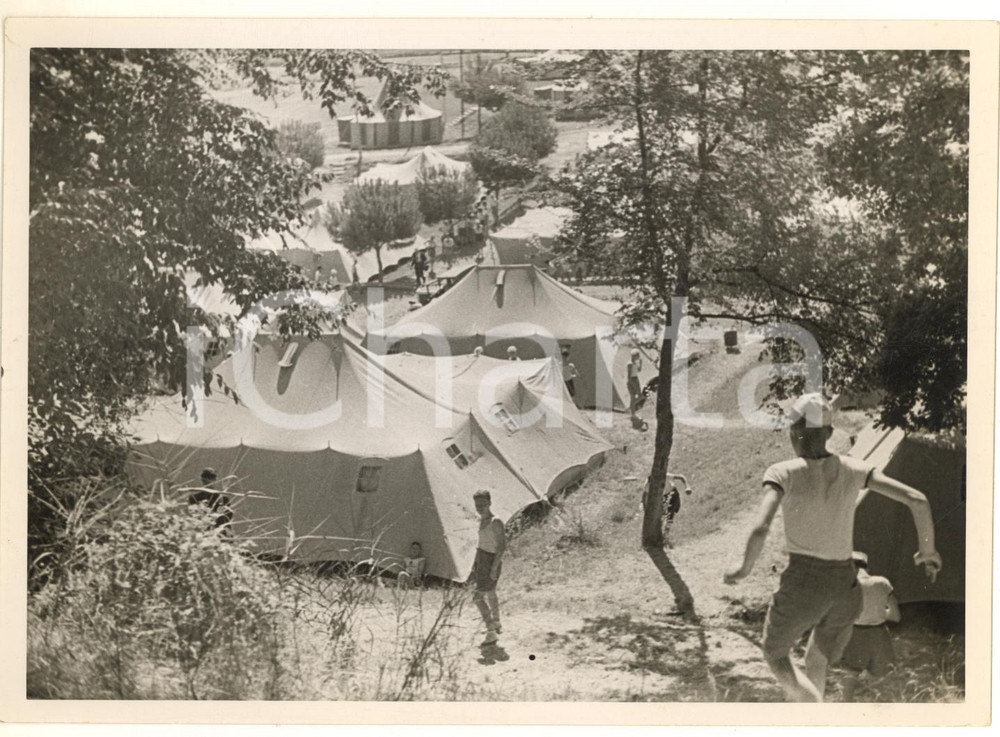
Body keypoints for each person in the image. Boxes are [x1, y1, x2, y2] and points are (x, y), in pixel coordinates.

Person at [723, 393, 941, 702]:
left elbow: (760, 528)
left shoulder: (782, 472)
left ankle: (815, 715)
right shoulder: (854, 468)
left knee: (775, 654)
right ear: (828, 433)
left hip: (804, 582)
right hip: (846, 587)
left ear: (793, 432)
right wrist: (928, 551)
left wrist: (742, 569)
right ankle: (813, 711)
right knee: (816, 659)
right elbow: (918, 500)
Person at [839, 551, 901, 701]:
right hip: (879, 637)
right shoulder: (882, 582)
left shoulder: (844, 585)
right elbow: (896, 617)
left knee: (847, 691)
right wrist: (878, 613)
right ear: (867, 567)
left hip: (854, 637)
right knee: (880, 690)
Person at [471, 489, 505, 645]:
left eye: (483, 504)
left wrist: (493, 568)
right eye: (477, 505)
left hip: (491, 561)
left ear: (490, 503)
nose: (480, 507)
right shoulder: (481, 521)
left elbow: (501, 547)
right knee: (490, 592)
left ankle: (491, 631)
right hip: (482, 559)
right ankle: (496, 622)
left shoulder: (495, 521)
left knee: (477, 598)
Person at [189, 467, 233, 532]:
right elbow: (193, 516)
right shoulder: (194, 498)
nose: (209, 482)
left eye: (211, 478)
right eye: (206, 479)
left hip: (218, 531)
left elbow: (228, 517)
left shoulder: (223, 499)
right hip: (203, 530)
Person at [627, 349, 643, 420]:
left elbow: (639, 370)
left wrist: (641, 364)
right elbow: (629, 376)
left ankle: (632, 408)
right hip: (631, 380)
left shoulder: (635, 362)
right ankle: (633, 414)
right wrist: (633, 384)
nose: (638, 357)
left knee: (639, 396)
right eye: (637, 355)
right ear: (634, 356)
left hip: (636, 379)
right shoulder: (630, 364)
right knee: (633, 397)